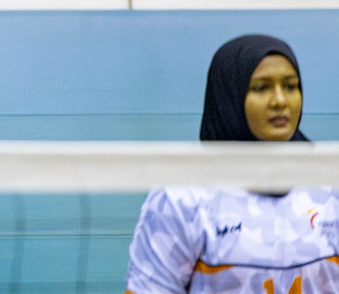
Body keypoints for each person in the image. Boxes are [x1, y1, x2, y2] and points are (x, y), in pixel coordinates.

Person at [124, 35, 338, 293]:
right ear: (229, 97)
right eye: (261, 88)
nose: (280, 101)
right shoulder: (182, 197)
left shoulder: (331, 183)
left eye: (291, 86)